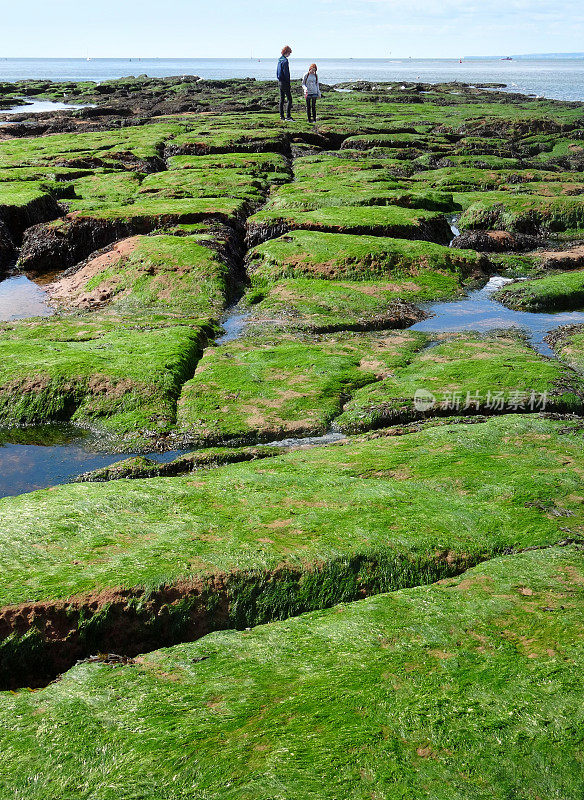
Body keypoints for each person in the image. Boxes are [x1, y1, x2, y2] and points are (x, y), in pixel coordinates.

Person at [277, 46, 293, 120]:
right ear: (287, 52)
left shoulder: (279, 60)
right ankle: (288, 116)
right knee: (289, 99)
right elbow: (286, 73)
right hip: (284, 82)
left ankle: (281, 116)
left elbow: (278, 72)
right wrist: (288, 82)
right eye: (289, 53)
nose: (289, 54)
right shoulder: (285, 61)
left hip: (280, 81)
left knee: (282, 98)